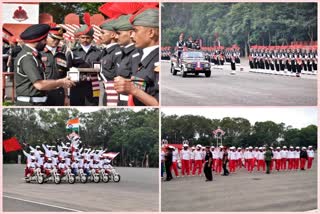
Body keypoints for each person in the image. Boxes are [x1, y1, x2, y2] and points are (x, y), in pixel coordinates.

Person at [14, 24, 75, 106]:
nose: (45, 42)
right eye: (45, 39)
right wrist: (62, 82)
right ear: (39, 40)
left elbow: (62, 74)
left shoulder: (35, 55)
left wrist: (65, 95)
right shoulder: (28, 57)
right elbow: (39, 85)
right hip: (31, 102)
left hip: (44, 98)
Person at [114, 8, 159, 106]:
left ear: (150, 33)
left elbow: (159, 103)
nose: (132, 35)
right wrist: (128, 84)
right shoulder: (146, 55)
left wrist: (132, 89)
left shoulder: (157, 60)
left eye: (135, 30)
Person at [65, 18, 101, 106]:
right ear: (79, 38)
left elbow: (99, 69)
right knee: (75, 105)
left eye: (88, 38)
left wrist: (79, 69)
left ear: (92, 38)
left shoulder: (98, 52)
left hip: (93, 86)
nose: (85, 40)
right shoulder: (73, 52)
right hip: (76, 85)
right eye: (83, 37)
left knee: (92, 106)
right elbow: (68, 69)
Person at [113, 14, 142, 106]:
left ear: (130, 33)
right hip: (122, 99)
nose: (116, 37)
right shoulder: (124, 53)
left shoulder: (136, 54)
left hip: (132, 101)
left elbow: (139, 83)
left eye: (119, 33)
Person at [41, 25, 69, 106]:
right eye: (54, 38)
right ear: (46, 37)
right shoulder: (39, 53)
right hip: (43, 92)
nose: (56, 41)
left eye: (58, 39)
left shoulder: (62, 55)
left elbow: (64, 77)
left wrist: (66, 96)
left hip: (59, 93)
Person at [99, 17, 123, 106]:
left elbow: (119, 75)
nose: (99, 35)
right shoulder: (105, 52)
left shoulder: (118, 52)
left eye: (103, 33)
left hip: (115, 92)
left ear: (113, 35)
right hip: (106, 90)